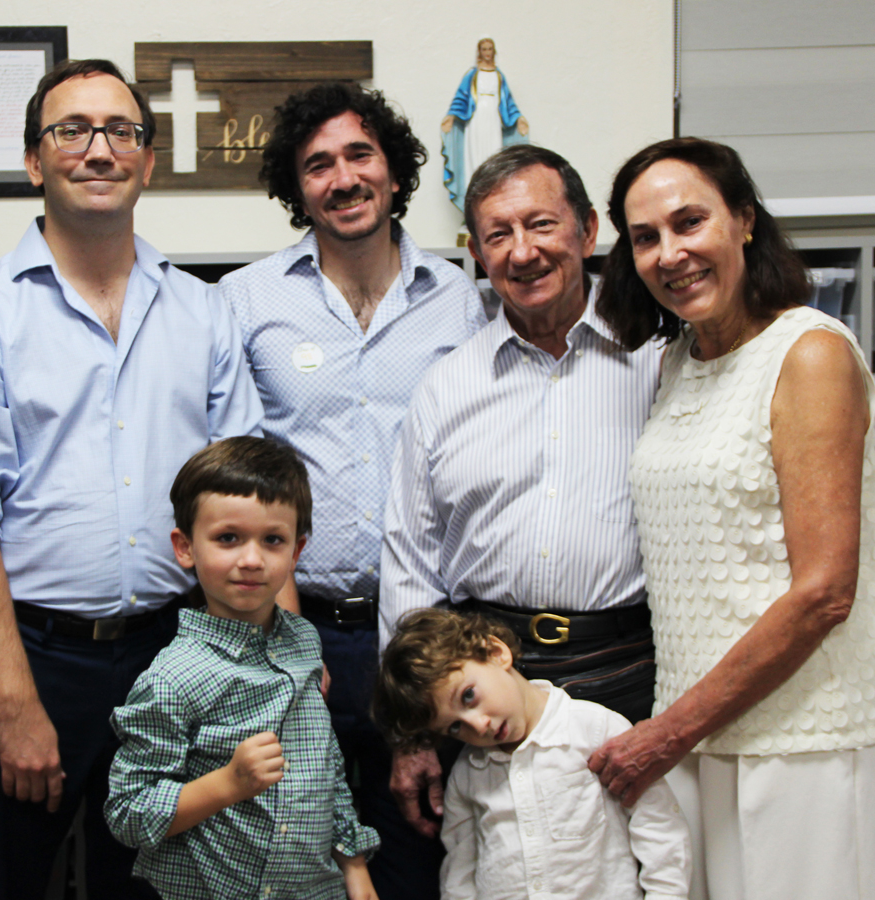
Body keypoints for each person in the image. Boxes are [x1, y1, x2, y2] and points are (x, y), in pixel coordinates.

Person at [0, 58, 263, 900]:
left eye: (121, 132)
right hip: (32, 656)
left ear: (147, 162)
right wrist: (15, 702)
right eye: (72, 130)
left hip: (176, 653)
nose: (98, 149)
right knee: (2, 881)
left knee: (159, 884)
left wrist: (257, 661)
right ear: (36, 162)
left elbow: (249, 495)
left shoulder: (202, 308)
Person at [218, 81, 485, 898]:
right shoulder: (245, 301)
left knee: (420, 848)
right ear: (296, 190)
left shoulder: (465, 301)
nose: (342, 178)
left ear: (395, 171)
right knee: (298, 858)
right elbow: (241, 484)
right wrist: (290, 645)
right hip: (302, 629)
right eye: (317, 165)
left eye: (359, 155)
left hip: (431, 635)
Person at [590, 137, 875, 899]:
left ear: (744, 219)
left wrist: (668, 732)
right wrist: (678, 733)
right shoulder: (680, 360)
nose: (670, 253)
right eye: (646, 238)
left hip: (795, 747)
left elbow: (824, 592)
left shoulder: (810, 353)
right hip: (696, 739)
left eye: (689, 222)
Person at [380, 144, 662, 841]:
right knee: (500, 871)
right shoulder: (449, 384)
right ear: (475, 251)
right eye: (498, 235)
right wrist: (412, 733)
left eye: (541, 224)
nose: (523, 251)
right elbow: (410, 558)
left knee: (632, 865)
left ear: (589, 231)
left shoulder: (661, 359)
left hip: (627, 673)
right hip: (477, 688)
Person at [106, 436, 380, 899]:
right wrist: (227, 784)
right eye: (228, 538)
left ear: (296, 552)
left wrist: (355, 870)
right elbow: (128, 813)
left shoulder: (304, 641)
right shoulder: (173, 678)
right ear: (186, 547)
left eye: (273, 540)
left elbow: (325, 764)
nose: (251, 559)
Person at [373, 609, 690, 900]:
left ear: (497, 653)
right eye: (455, 728)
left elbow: (659, 828)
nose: (478, 725)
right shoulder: (469, 773)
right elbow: (460, 873)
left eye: (469, 696)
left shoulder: (594, 728)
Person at [440, 38, 529, 214]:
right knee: (475, 159)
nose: (487, 52)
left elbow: (508, 102)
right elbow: (461, 97)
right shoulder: (472, 75)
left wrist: (518, 118)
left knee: (493, 157)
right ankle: (474, 208)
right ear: (479, 52)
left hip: (493, 120)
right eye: (484, 49)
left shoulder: (498, 76)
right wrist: (451, 116)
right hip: (476, 120)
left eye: (490, 49)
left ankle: (493, 204)